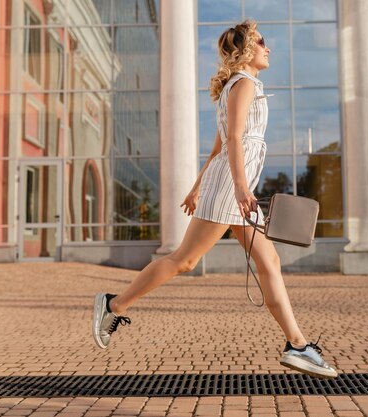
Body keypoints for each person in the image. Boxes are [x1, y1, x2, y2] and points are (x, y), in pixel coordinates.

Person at [92, 20, 338, 380]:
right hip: (233, 188)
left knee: (269, 261)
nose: (268, 49)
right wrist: (239, 188)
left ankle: (297, 345)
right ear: (246, 48)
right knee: (184, 260)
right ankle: (113, 304)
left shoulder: (239, 86)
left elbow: (218, 148)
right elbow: (234, 140)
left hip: (232, 185)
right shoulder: (245, 84)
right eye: (261, 43)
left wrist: (197, 187)